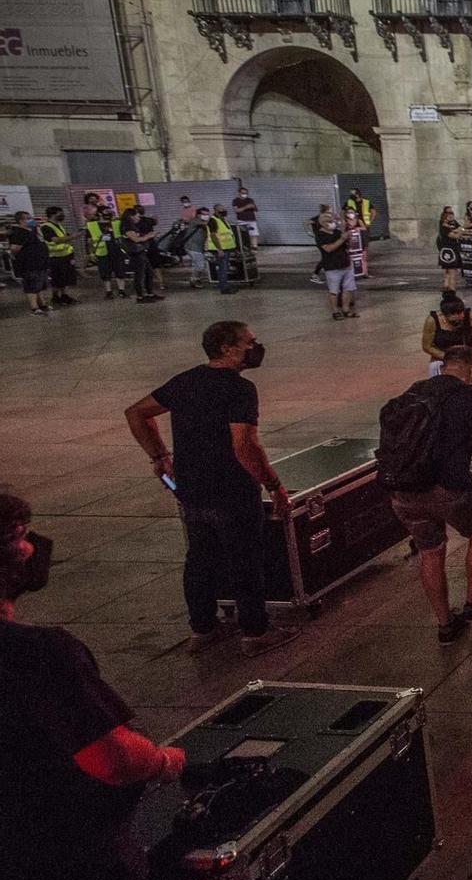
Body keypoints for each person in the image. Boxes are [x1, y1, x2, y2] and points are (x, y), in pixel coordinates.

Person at [1, 493, 184, 880]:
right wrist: (164, 762)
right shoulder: (38, 654)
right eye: (19, 537)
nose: (32, 548)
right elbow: (111, 759)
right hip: (58, 865)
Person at [122, 320, 296, 654]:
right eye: (249, 342)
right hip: (230, 487)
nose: (255, 348)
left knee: (200, 558)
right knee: (245, 560)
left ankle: (202, 628)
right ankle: (255, 633)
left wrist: (159, 457)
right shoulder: (238, 389)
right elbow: (245, 445)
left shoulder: (186, 381)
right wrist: (274, 485)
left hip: (190, 485)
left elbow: (136, 413)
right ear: (227, 348)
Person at [380, 347, 472, 642]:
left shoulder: (414, 393)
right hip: (450, 489)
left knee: (431, 551)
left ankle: (445, 624)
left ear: (443, 367)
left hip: (405, 491)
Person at [313, 211, 357, 319]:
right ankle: (335, 311)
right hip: (332, 266)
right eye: (330, 221)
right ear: (323, 223)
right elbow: (328, 249)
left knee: (347, 289)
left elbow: (348, 247)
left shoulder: (337, 232)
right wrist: (342, 239)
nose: (333, 223)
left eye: (333, 221)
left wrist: (349, 239)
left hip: (345, 264)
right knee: (334, 291)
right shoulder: (320, 235)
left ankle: (346, 310)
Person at [12, 209, 53, 315]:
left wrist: (37, 230)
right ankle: (34, 307)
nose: (31, 220)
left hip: (40, 263)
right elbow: (14, 249)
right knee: (32, 285)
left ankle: (42, 304)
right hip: (29, 264)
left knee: (40, 285)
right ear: (21, 221)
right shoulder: (18, 233)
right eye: (28, 219)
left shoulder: (33, 231)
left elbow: (42, 241)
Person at [85, 204, 126, 300]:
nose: (108, 213)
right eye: (106, 212)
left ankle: (122, 291)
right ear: (99, 213)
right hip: (102, 252)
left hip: (116, 251)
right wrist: (91, 253)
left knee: (120, 271)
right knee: (105, 273)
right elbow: (89, 241)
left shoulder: (116, 223)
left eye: (109, 211)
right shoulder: (91, 225)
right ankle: (109, 292)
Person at [231, 183, 259, 248]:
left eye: (246, 193)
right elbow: (236, 210)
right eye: (243, 193)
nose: (244, 194)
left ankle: (254, 247)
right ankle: (244, 247)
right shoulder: (235, 201)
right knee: (243, 234)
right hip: (242, 220)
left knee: (254, 234)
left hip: (251, 220)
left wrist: (253, 207)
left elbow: (256, 209)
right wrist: (246, 207)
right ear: (239, 193)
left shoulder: (250, 200)